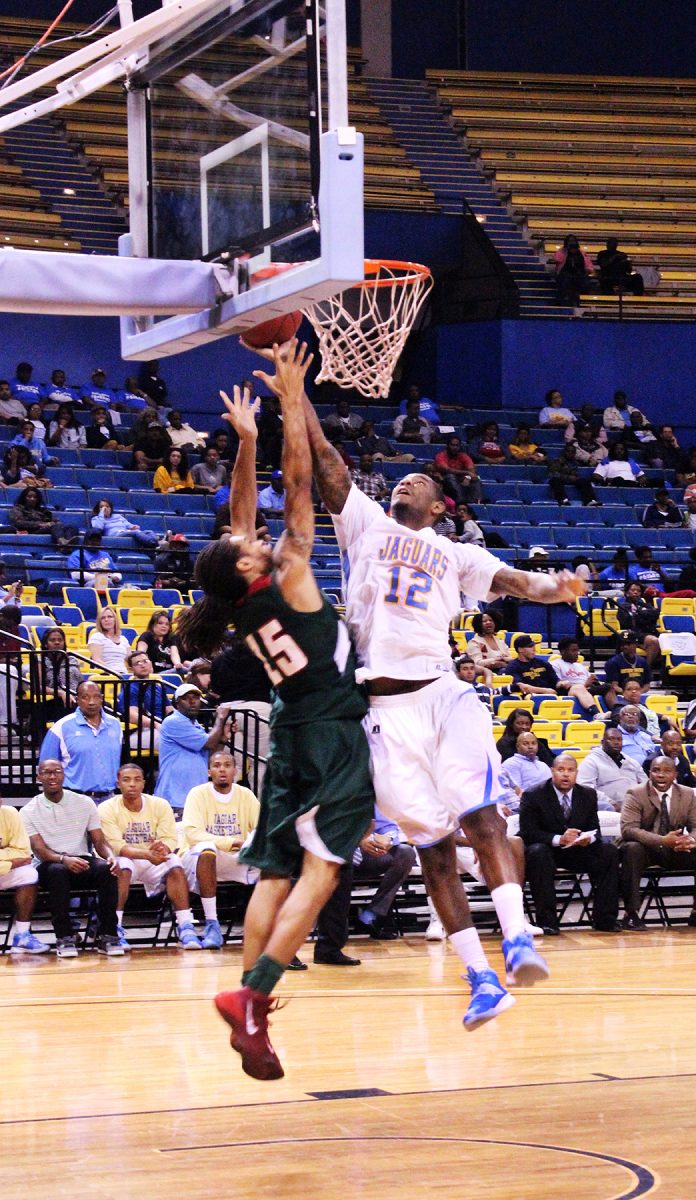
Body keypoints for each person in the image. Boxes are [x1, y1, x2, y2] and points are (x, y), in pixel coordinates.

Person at [291, 347, 593, 1026]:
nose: (407, 482)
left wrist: (563, 587)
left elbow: (522, 584)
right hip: (382, 711)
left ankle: (517, 937)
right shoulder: (366, 524)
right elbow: (322, 457)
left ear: (440, 503)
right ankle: (482, 979)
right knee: (431, 851)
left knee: (482, 819)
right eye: (401, 478)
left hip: (441, 694)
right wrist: (295, 385)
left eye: (420, 479)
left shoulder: (456, 554)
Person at [176, 343, 374, 1079]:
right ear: (254, 565)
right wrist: (291, 404)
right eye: (247, 542)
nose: (250, 534)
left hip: (289, 732)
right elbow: (298, 487)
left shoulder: (241, 603)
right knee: (322, 870)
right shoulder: (287, 572)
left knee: (275, 873)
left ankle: (250, 993)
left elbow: (239, 511)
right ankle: (254, 996)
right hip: (329, 734)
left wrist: (245, 441)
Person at [21, 760, 123, 956]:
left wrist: (111, 857)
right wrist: (63, 860)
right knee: (58, 872)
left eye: (57, 772)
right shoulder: (28, 810)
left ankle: (108, 935)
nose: (52, 776)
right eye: (47, 773)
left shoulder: (84, 803)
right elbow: (40, 850)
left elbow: (99, 842)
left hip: (81, 858)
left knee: (106, 869)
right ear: (38, 778)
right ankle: (65, 936)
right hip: (48, 864)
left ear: (63, 775)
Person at [99, 763, 202, 951]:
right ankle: (115, 927)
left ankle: (185, 926)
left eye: (137, 780)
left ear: (144, 783)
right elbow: (116, 846)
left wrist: (163, 848)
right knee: (121, 866)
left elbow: (171, 839)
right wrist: (147, 854)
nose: (132, 784)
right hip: (127, 859)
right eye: (126, 780)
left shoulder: (159, 804)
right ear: (118, 783)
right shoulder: (106, 808)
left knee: (174, 862)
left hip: (152, 858)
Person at [519, 753, 621, 935]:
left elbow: (595, 829)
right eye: (561, 770)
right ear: (552, 772)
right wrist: (559, 839)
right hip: (548, 851)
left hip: (577, 851)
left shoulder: (588, 794)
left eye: (570, 770)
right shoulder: (533, 795)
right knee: (537, 852)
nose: (566, 775)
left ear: (576, 773)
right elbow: (528, 832)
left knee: (609, 851)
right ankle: (547, 922)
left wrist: (588, 838)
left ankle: (606, 919)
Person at [180, 749, 260, 949]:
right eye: (216, 766)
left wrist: (252, 842)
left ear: (236, 771)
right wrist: (232, 842)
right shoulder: (197, 794)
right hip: (198, 858)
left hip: (235, 857)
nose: (222, 770)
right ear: (209, 772)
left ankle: (266, 929)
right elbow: (192, 834)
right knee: (207, 848)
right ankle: (212, 923)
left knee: (274, 859)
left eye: (227, 765)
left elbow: (261, 827)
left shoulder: (246, 795)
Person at [313, 809, 417, 963]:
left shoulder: (370, 795)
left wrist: (385, 840)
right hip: (334, 852)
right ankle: (323, 945)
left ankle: (372, 915)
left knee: (405, 852)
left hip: (367, 857)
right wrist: (358, 839)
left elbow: (388, 827)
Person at [620, 756, 696, 930]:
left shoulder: (687, 793)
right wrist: (662, 840)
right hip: (645, 850)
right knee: (632, 849)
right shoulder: (635, 793)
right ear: (649, 773)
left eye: (667, 771)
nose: (661, 775)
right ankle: (631, 914)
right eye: (656, 770)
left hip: (675, 849)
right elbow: (629, 830)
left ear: (675, 774)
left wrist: (690, 841)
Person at [155, 684, 234, 812]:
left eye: (196, 697)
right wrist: (220, 718)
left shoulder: (196, 726)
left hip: (194, 798)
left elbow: (210, 756)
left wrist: (223, 739)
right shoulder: (173, 721)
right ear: (176, 703)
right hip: (175, 799)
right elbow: (208, 743)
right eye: (186, 698)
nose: (192, 702)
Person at [38, 680, 123, 798]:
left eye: (96, 697)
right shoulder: (62, 726)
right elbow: (46, 767)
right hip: (74, 797)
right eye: (85, 697)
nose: (91, 702)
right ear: (77, 700)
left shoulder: (115, 725)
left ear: (102, 698)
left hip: (110, 798)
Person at [0, 795, 49, 954]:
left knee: (29, 874)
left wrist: (7, 864)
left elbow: (23, 853)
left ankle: (22, 935)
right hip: (8, 865)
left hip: (4, 870)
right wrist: (11, 862)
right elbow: (16, 856)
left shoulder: (10, 813)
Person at [577, 727, 646, 811]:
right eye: (611, 739)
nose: (616, 742)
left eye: (619, 739)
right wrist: (609, 802)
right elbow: (585, 788)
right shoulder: (591, 761)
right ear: (602, 742)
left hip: (634, 806)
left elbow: (646, 784)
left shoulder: (631, 762)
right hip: (608, 807)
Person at [118, 649, 171, 750]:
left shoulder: (158, 686)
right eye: (137, 663)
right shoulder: (130, 688)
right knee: (171, 740)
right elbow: (132, 715)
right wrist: (156, 724)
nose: (142, 665)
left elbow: (170, 710)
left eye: (145, 661)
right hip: (139, 731)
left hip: (161, 728)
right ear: (131, 669)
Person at [551, 636, 609, 718]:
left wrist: (595, 682)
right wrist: (585, 684)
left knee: (609, 687)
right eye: (573, 650)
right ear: (563, 651)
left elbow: (592, 681)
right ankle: (596, 714)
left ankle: (617, 713)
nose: (577, 653)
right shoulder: (555, 664)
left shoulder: (579, 665)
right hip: (571, 691)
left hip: (587, 690)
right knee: (578, 687)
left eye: (577, 650)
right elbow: (559, 685)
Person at [37, 625, 84, 721]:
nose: (57, 642)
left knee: (103, 705)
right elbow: (38, 687)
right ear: (46, 644)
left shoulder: (72, 659)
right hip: (54, 700)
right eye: (52, 640)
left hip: (76, 698)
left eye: (60, 639)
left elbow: (80, 682)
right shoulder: (40, 661)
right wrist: (61, 693)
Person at [498, 732, 552, 812]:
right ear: (518, 746)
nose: (530, 747)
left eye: (533, 743)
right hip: (527, 809)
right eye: (525, 744)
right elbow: (517, 793)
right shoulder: (511, 763)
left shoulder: (543, 765)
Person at [616, 582, 661, 665]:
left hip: (649, 631)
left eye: (638, 591)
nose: (636, 592)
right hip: (634, 634)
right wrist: (644, 615)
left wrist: (639, 614)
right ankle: (646, 667)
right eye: (633, 590)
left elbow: (655, 614)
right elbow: (627, 622)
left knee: (669, 639)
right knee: (653, 641)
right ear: (627, 593)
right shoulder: (623, 607)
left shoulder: (645, 605)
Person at [467, 610, 512, 683]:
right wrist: (496, 660)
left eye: (491, 620)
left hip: (503, 671)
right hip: (485, 674)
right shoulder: (474, 642)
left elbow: (509, 659)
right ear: (478, 625)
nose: (488, 622)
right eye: (484, 621)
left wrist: (502, 659)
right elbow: (477, 663)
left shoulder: (500, 641)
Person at [433, 435, 481, 503]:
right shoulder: (441, 456)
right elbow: (447, 470)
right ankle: (461, 501)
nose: (455, 447)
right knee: (451, 477)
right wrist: (466, 473)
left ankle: (476, 503)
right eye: (452, 445)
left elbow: (471, 470)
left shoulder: (463, 456)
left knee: (476, 478)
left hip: (461, 479)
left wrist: (468, 477)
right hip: (445, 482)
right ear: (448, 446)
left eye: (457, 445)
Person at [90, 499, 157, 547]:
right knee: (136, 532)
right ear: (98, 509)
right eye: (101, 507)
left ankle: (154, 544)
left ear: (111, 508)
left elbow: (128, 525)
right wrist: (101, 513)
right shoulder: (96, 519)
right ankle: (154, 544)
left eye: (107, 507)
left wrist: (133, 526)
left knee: (149, 532)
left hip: (125, 532)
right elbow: (98, 528)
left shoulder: (118, 516)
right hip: (114, 536)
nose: (105, 509)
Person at [136, 609, 183, 673]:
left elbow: (174, 654)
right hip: (154, 673)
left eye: (167, 624)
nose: (164, 626)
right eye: (160, 623)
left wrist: (177, 663)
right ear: (152, 625)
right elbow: (140, 654)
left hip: (170, 672)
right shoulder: (146, 636)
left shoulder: (171, 638)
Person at [87, 605, 131, 674]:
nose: (106, 619)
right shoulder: (97, 637)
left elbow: (130, 660)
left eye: (110, 617)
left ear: (115, 619)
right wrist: (113, 672)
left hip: (124, 674)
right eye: (103, 618)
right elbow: (96, 660)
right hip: (106, 675)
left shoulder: (123, 639)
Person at [553, 236, 595, 306]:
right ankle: (561, 302)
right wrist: (565, 250)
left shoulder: (581, 252)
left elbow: (588, 265)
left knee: (586, 284)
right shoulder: (563, 251)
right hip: (566, 274)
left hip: (579, 274)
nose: (572, 242)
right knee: (565, 282)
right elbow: (556, 259)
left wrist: (588, 270)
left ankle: (583, 303)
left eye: (573, 241)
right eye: (570, 241)